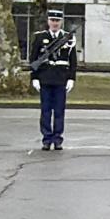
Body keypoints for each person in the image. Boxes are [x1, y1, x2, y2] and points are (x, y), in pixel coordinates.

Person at [29, 9, 77, 150]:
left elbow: (72, 60)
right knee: (45, 110)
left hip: (61, 78)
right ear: (48, 21)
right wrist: (34, 77)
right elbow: (34, 59)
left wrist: (71, 78)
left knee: (59, 111)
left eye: (57, 21)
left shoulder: (68, 38)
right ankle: (46, 138)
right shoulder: (40, 37)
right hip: (45, 78)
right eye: (52, 20)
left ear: (61, 22)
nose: (55, 23)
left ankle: (57, 139)